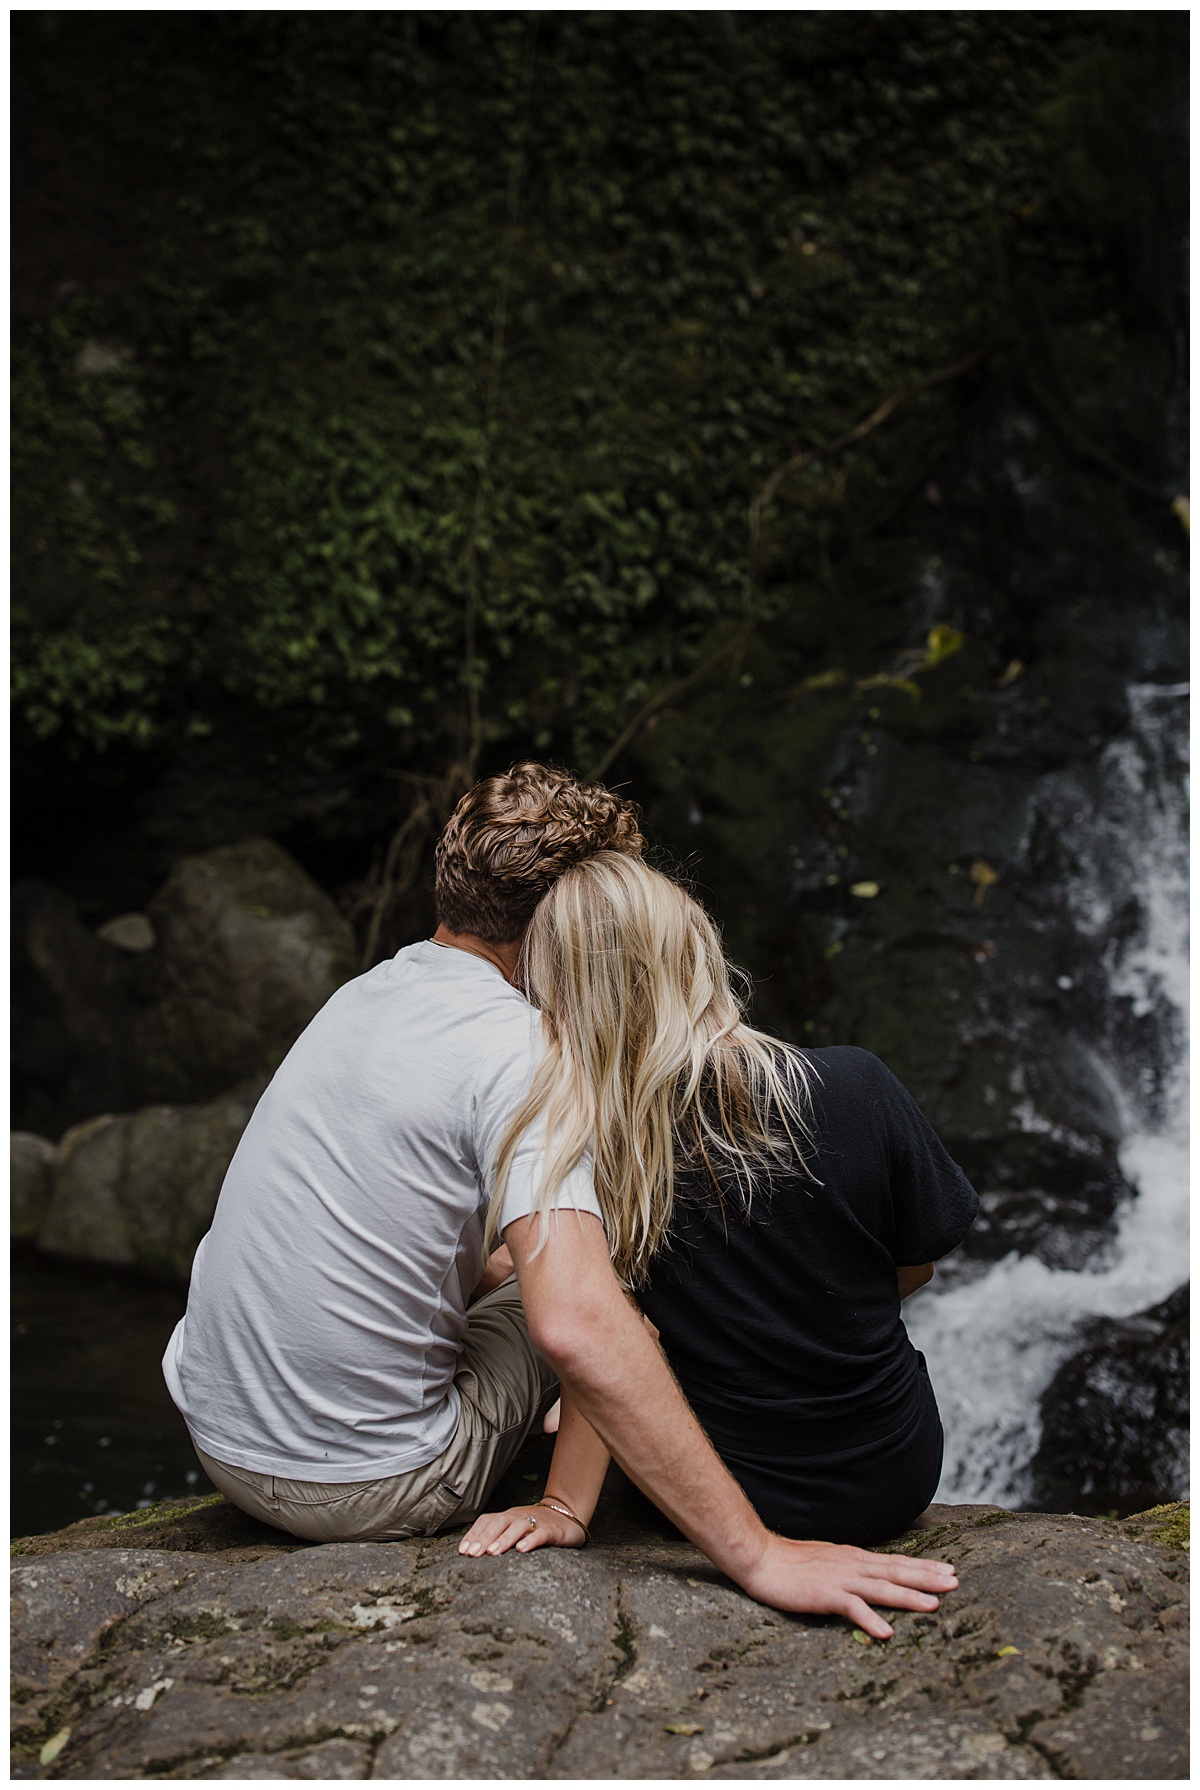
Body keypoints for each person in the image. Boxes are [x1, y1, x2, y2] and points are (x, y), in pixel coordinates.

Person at [164, 763, 958, 1638]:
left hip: (219, 1434)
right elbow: (582, 1324)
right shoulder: (529, 1057)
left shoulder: (368, 994)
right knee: (594, 1294)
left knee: (535, 1266)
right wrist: (760, 1555)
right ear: (570, 919)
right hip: (365, 1483)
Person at [458, 850, 978, 1575]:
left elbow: (614, 1335)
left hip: (714, 1502)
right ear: (699, 948)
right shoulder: (860, 1084)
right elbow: (915, 1264)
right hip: (893, 1476)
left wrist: (564, 1507)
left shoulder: (602, 1153)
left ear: (562, 1002)